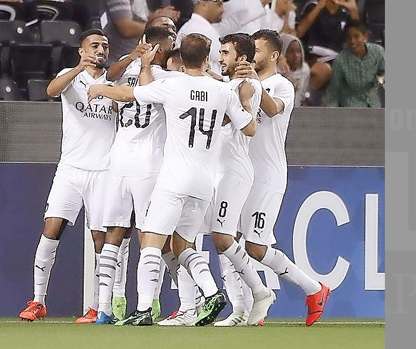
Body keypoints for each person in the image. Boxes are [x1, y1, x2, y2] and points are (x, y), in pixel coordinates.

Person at [86, 34, 258, 327]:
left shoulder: (170, 84)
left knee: (151, 243)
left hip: (174, 179)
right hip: (204, 182)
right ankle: (213, 292)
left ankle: (142, 309)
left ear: (182, 59)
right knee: (184, 245)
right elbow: (250, 128)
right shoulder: (222, 91)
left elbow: (131, 95)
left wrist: (100, 88)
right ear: (206, 59)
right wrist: (246, 101)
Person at [18, 30, 116, 323]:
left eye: (104, 46)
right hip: (71, 168)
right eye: (94, 45)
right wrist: (78, 68)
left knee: (100, 238)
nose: (100, 50)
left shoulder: (114, 81)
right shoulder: (71, 77)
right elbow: (50, 91)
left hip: (104, 170)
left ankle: (99, 306)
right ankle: (38, 301)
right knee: (51, 229)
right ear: (81, 49)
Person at [239, 30, 331, 324]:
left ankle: (314, 289)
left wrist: (254, 82)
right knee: (229, 240)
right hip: (241, 172)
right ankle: (250, 308)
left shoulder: (282, 86)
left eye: (257, 49)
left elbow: (272, 109)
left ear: (274, 56)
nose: (252, 53)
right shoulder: (243, 82)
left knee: (255, 247)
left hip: (268, 174)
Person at [94, 28, 179, 325]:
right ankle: (151, 301)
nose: (171, 49)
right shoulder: (169, 79)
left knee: (114, 233)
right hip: (149, 164)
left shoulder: (127, 69)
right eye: (170, 45)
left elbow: (107, 81)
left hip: (119, 160)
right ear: (160, 47)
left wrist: (133, 59)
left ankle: (104, 307)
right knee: (150, 235)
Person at [208, 34, 277, 327]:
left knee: (223, 238)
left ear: (242, 58)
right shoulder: (234, 84)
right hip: (224, 169)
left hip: (234, 170)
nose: (221, 57)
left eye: (226, 53)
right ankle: (242, 307)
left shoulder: (244, 86)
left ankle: (260, 293)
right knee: (224, 239)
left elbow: (239, 124)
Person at [295, 0, 360, 90]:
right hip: (313, 57)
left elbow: (359, 40)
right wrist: (320, 5)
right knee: (323, 70)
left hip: (338, 59)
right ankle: (303, 98)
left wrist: (353, 9)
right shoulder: (312, 6)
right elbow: (299, 33)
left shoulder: (346, 13)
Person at [100, 0, 179, 66]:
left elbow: (140, 15)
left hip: (140, 56)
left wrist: (159, 16)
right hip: (121, 60)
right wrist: (159, 27)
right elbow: (126, 28)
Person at [323, 20, 385, 107]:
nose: (352, 41)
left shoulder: (378, 52)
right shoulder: (340, 61)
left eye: (356, 36)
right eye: (349, 37)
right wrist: (331, 113)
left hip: (374, 104)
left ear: (365, 37)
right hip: (351, 107)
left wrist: (382, 78)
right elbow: (334, 90)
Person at [175, 0, 230, 74]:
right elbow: (225, 59)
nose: (223, 10)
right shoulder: (202, 29)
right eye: (219, 4)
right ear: (203, 5)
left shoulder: (191, 26)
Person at [279, 33, 311, 107]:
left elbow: (302, 96)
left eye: (298, 51)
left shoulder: (305, 70)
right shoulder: (274, 71)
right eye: (290, 51)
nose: (296, 56)